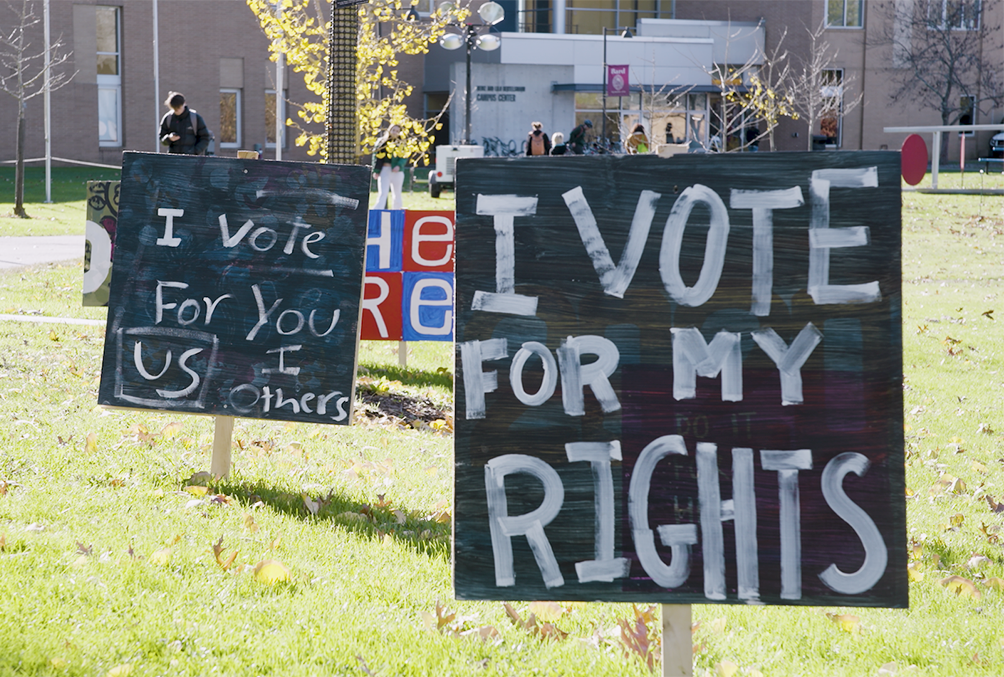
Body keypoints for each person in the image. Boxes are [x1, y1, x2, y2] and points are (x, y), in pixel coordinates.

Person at [372, 124, 407, 210]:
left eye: (397, 131)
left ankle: (397, 211)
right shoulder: (381, 142)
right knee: (383, 193)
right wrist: (376, 171)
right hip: (384, 169)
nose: (395, 132)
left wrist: (399, 165)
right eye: (393, 130)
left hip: (397, 171)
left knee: (397, 194)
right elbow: (376, 156)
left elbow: (404, 156)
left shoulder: (401, 143)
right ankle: (377, 211)